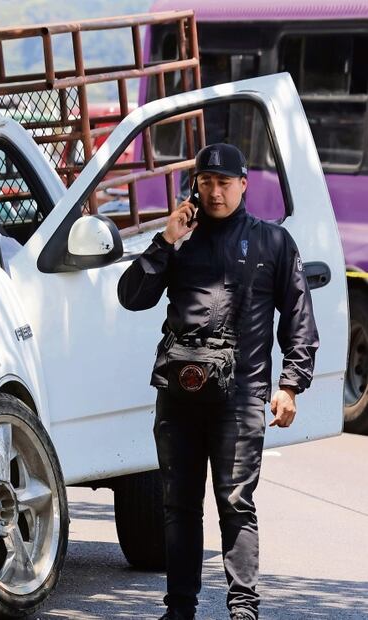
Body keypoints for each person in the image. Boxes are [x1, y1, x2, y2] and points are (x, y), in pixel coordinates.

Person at [117, 143, 318, 620]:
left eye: (224, 182)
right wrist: (164, 241)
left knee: (235, 503)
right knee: (179, 505)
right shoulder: (179, 237)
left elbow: (298, 318)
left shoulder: (272, 242)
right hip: (180, 396)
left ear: (244, 185)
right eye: (206, 182)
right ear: (195, 186)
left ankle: (243, 607)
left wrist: (290, 383)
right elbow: (132, 296)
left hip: (242, 396)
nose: (215, 192)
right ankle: (180, 608)